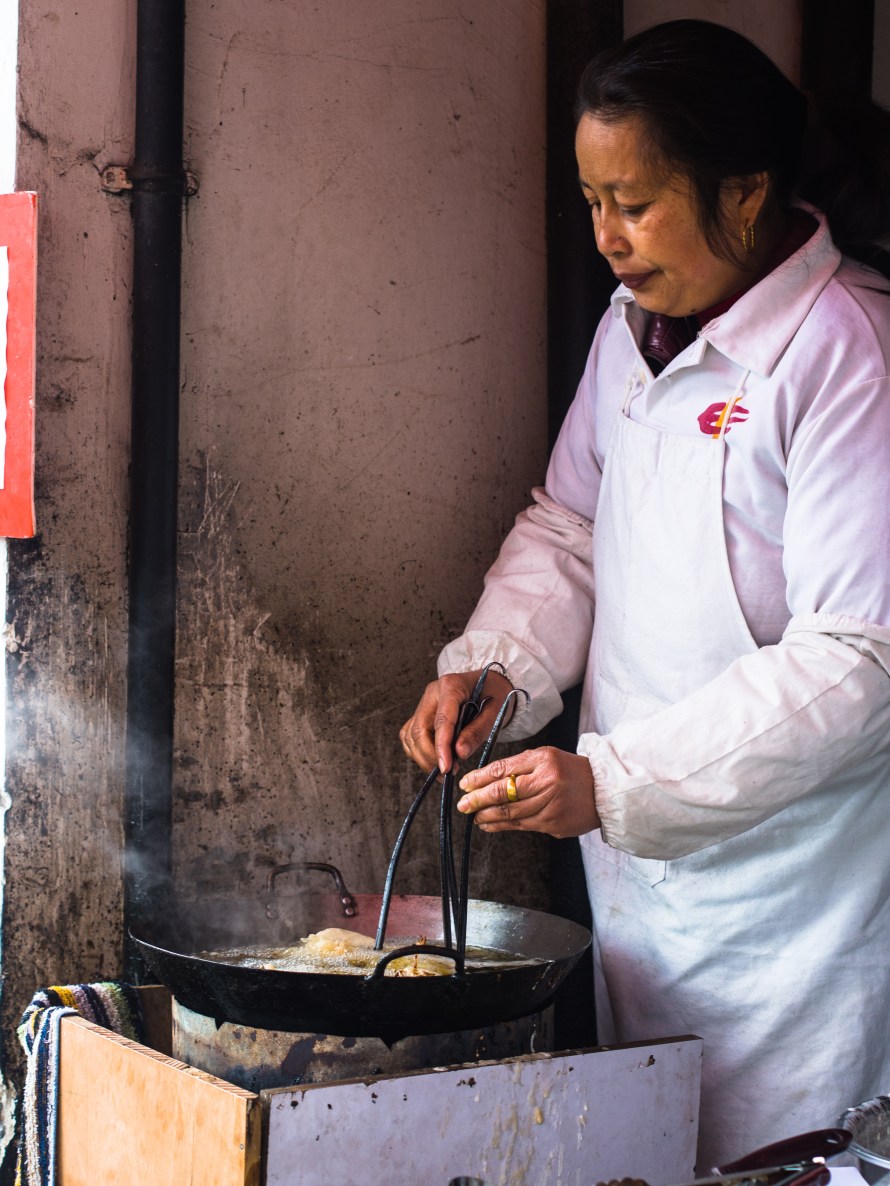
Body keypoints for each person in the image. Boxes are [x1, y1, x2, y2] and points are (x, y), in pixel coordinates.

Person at [399, 19, 890, 1172]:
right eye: (589, 200)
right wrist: (495, 669)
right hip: (646, 882)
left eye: (635, 200)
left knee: (793, 1155)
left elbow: (857, 657)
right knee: (661, 1144)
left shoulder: (846, 353)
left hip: (798, 902)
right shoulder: (634, 334)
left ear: (747, 191)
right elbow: (573, 522)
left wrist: (613, 780)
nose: (605, 236)